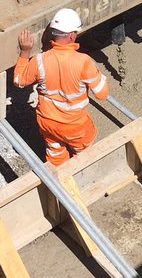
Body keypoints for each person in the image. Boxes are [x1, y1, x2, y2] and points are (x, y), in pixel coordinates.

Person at [13, 9, 110, 167]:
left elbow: (19, 81)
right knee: (85, 154)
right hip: (75, 127)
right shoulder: (84, 62)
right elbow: (103, 94)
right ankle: (82, 172)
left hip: (48, 124)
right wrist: (99, 76)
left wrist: (25, 52)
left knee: (56, 154)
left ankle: (62, 182)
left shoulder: (39, 61)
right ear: (72, 35)